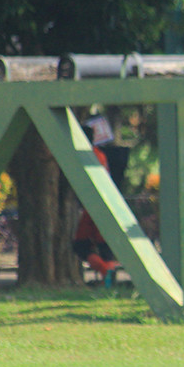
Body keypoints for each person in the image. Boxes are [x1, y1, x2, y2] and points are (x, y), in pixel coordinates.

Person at [72, 116, 120, 287]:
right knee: (103, 247)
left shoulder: (83, 155)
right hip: (103, 204)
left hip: (93, 207)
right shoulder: (100, 154)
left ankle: (106, 273)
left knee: (81, 246)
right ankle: (108, 276)